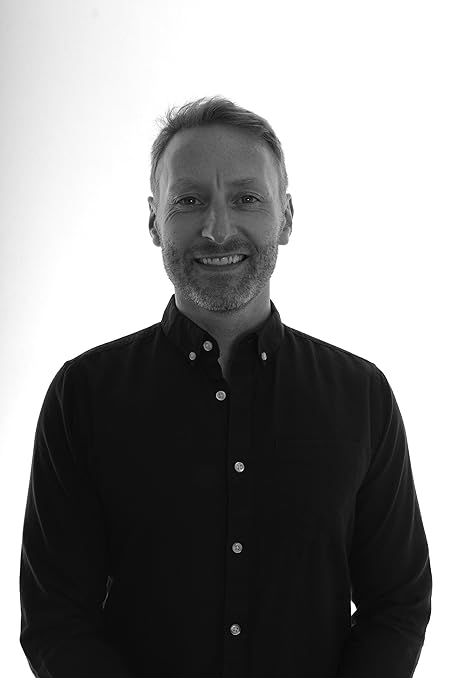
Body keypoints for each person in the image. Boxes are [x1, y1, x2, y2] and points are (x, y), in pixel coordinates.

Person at [19, 95, 432, 678]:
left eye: (246, 198)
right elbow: (56, 618)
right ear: (154, 221)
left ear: (286, 217)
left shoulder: (363, 397)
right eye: (189, 200)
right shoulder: (82, 396)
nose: (217, 229)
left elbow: (397, 605)